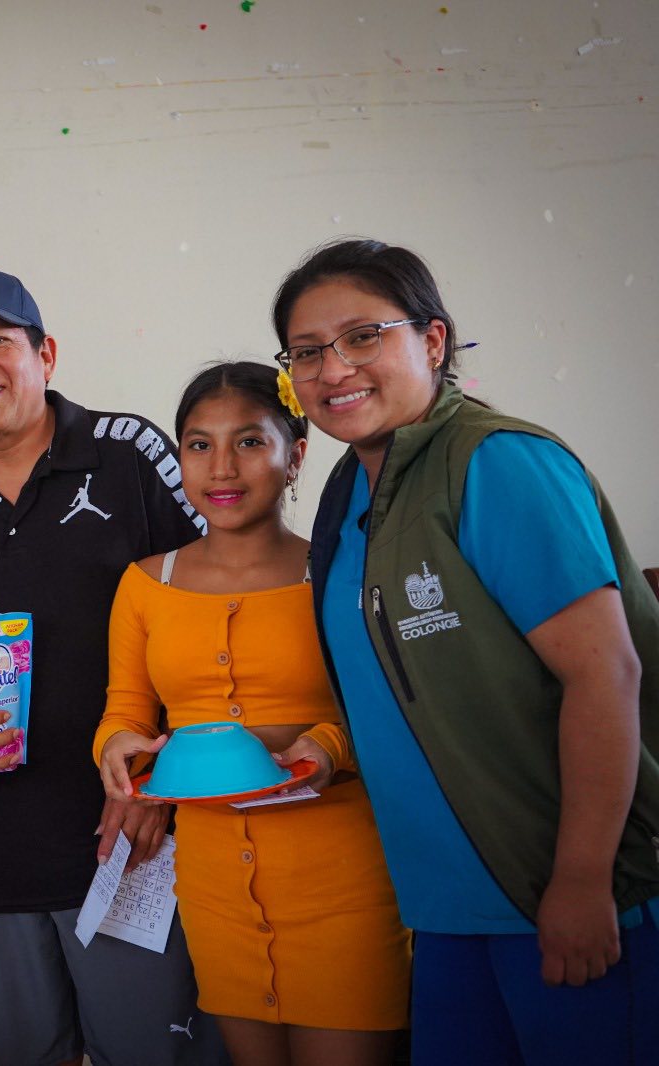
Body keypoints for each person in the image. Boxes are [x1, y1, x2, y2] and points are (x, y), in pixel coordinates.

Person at [274, 239, 659, 1064]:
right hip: (445, 909)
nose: (334, 369)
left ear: (433, 340)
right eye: (307, 352)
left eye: (363, 337)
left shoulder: (497, 463)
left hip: (566, 898)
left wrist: (583, 879)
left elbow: (605, 674)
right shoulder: (350, 490)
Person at [0, 265, 225, 1066]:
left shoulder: (129, 454)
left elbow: (212, 617)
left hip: (130, 841)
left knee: (151, 1054)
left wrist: (162, 781)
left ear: (46, 354)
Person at [94, 361, 410, 1066]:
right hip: (214, 889)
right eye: (199, 445)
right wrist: (116, 749)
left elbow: (386, 707)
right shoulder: (143, 584)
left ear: (295, 455)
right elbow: (124, 712)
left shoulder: (341, 573)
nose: (221, 467)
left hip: (344, 883)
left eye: (249, 441)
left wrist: (327, 746)